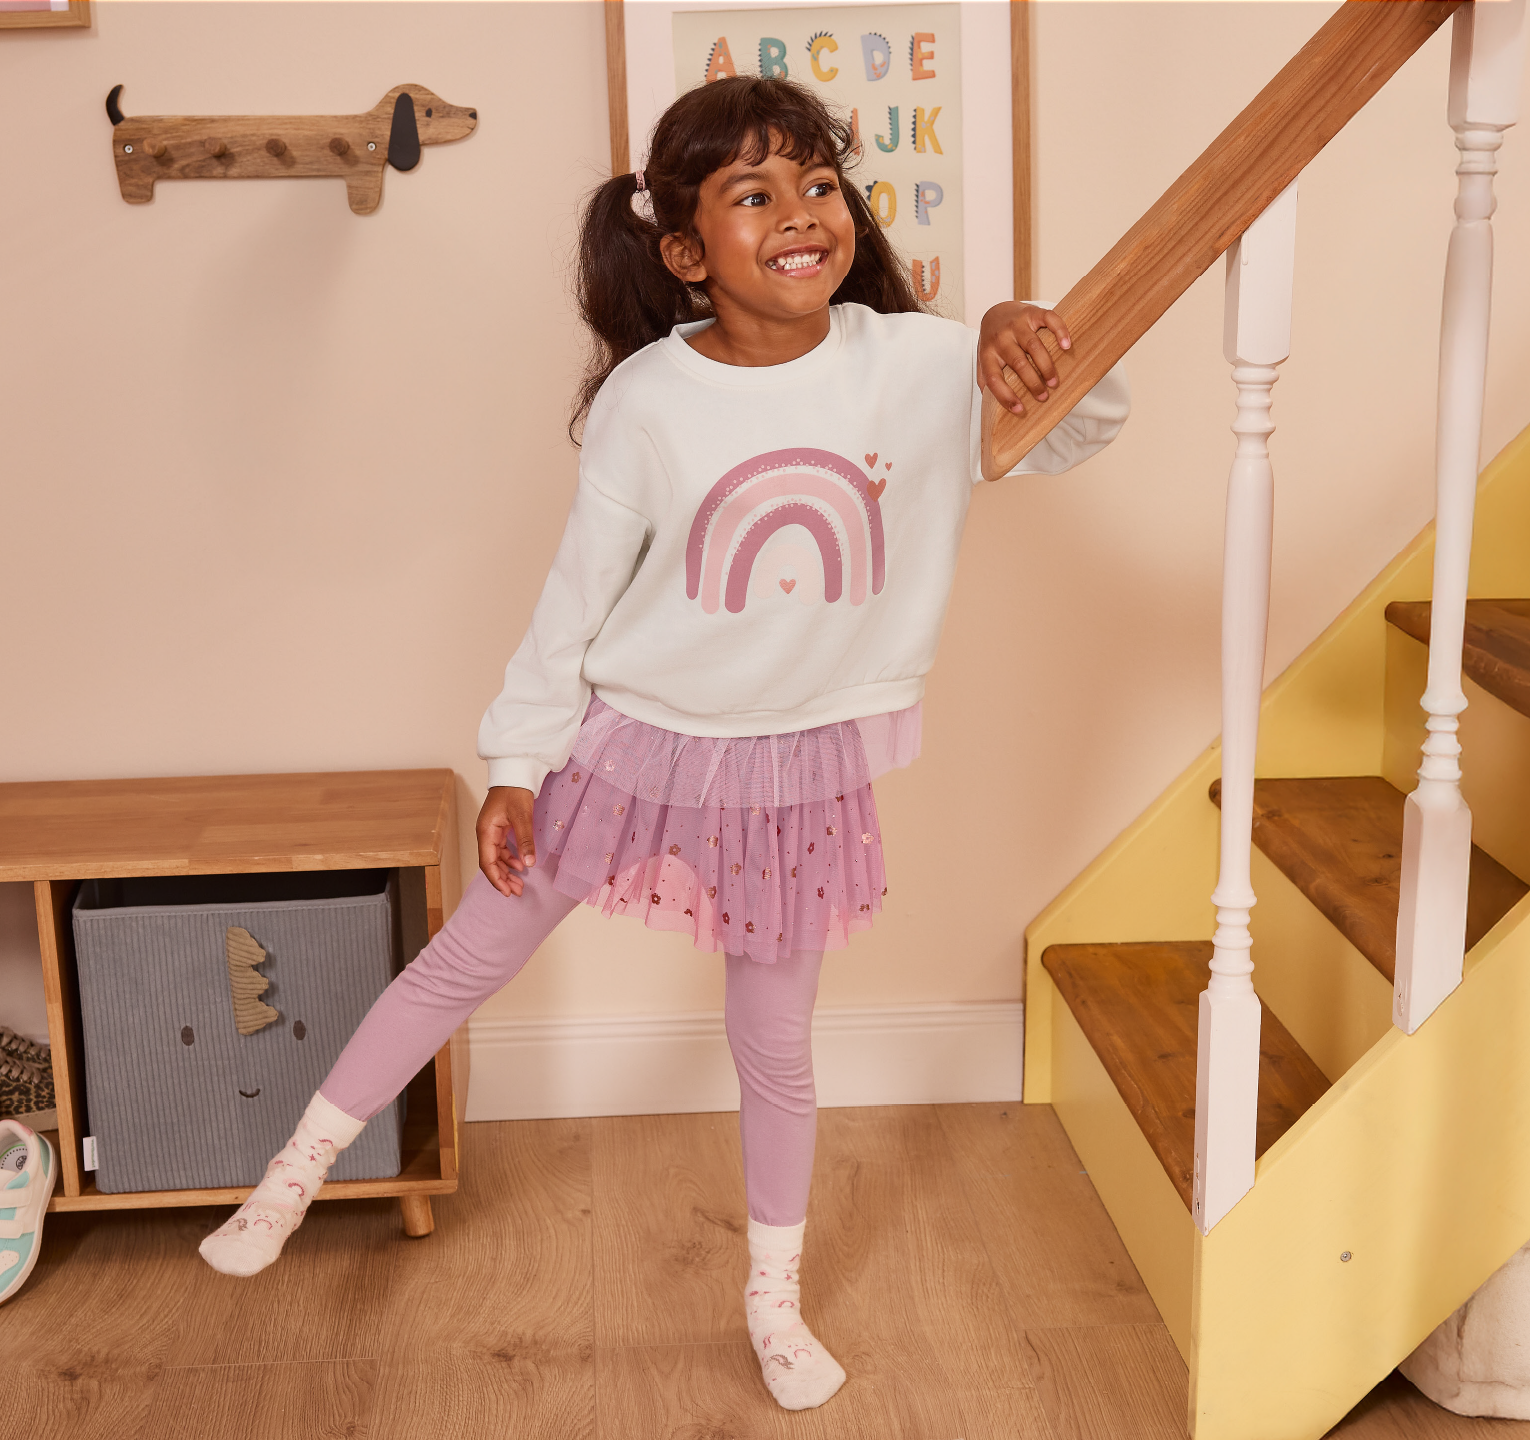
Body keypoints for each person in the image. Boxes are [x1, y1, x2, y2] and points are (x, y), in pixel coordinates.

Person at [197, 74, 1129, 1413]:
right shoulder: (649, 398)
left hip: (799, 763)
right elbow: (575, 599)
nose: (801, 213)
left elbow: (1074, 432)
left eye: (818, 183)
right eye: (755, 194)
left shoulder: (916, 363)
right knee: (470, 955)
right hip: (635, 743)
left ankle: (772, 1296)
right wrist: (518, 765)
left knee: (776, 1036)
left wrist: (1030, 339)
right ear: (687, 250)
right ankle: (293, 1175)